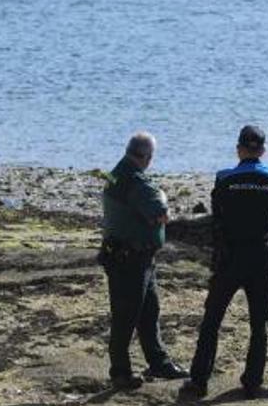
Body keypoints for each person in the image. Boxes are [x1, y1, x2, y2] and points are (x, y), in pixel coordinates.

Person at [178, 125, 268, 401]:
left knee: (212, 319)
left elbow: (219, 215)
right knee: (259, 323)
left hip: (231, 256)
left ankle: (199, 380)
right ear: (262, 150)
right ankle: (252, 381)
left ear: (239, 148)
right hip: (261, 256)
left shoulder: (224, 178)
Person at [97, 132, 188, 390]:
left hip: (130, 256)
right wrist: (160, 198)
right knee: (125, 317)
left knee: (149, 312)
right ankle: (120, 373)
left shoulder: (116, 173)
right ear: (147, 157)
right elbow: (161, 213)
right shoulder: (135, 181)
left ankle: (158, 362)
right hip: (130, 259)